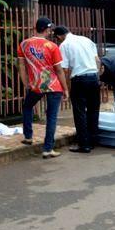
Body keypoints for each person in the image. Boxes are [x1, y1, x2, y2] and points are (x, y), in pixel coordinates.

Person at [17, 17, 69, 159]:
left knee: (27, 107)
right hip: (53, 85)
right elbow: (59, 70)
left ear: (35, 28)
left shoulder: (24, 44)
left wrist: (25, 82)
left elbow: (21, 65)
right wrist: (65, 89)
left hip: (36, 85)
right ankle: (47, 149)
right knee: (51, 117)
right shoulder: (52, 46)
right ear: (47, 29)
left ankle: (28, 136)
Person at [53, 26, 100, 153]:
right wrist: (97, 77)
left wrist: (66, 88)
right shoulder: (86, 40)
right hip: (94, 78)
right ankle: (93, 141)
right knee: (93, 110)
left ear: (58, 36)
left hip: (79, 80)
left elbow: (65, 69)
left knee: (80, 112)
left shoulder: (64, 45)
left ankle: (84, 145)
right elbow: (97, 60)